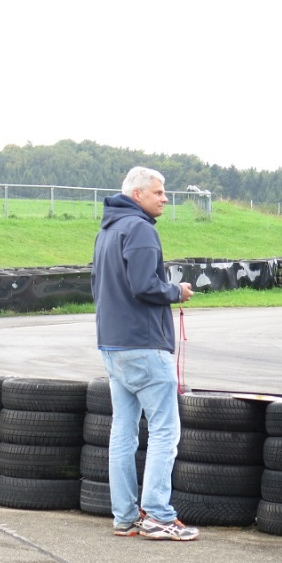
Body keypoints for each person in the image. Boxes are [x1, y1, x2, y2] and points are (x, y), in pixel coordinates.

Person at [90, 167, 199, 540]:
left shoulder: (107, 231)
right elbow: (144, 285)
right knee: (165, 430)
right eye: (159, 192)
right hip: (143, 344)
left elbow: (100, 288)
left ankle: (125, 517)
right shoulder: (140, 229)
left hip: (113, 344)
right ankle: (158, 515)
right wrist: (176, 291)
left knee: (123, 431)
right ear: (137, 194)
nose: (165, 198)